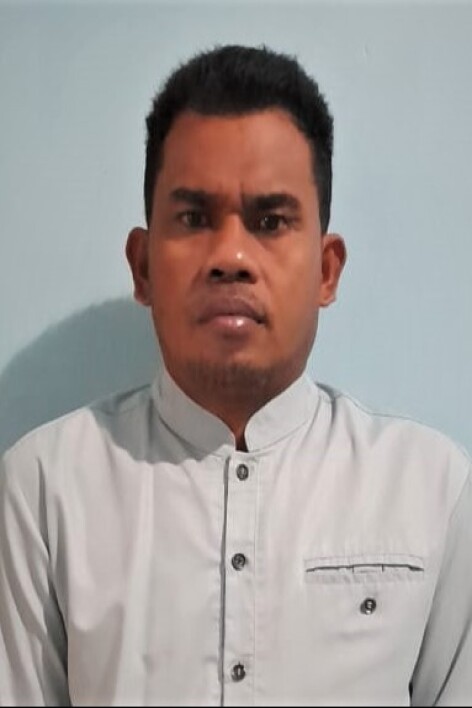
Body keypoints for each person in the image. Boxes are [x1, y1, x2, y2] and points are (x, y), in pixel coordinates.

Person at [0, 44, 471, 708]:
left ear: (326, 270)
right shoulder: (44, 490)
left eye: (270, 221)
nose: (231, 256)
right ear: (142, 266)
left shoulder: (432, 489)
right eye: (194, 219)